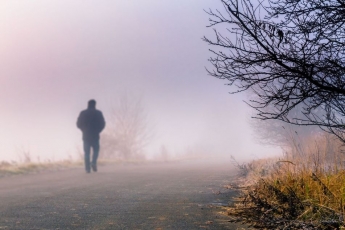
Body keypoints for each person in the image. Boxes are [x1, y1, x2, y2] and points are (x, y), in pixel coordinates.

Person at [77, 99, 106, 173]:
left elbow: (78, 124)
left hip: (86, 135)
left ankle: (87, 168)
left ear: (88, 104)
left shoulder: (83, 113)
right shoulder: (98, 113)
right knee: (96, 150)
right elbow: (103, 124)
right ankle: (93, 162)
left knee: (87, 152)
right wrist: (98, 130)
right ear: (95, 104)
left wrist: (83, 130)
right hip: (95, 135)